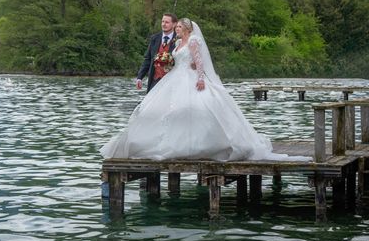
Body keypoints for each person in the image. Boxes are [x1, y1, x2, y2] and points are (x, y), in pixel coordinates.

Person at [101, 18, 310, 161]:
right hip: (175, 77)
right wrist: (167, 65)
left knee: (200, 108)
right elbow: (178, 61)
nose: (176, 30)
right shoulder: (177, 44)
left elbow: (199, 62)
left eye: (179, 28)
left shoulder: (193, 41)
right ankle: (171, 141)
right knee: (167, 110)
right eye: (176, 28)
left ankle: (206, 144)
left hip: (191, 79)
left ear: (187, 29)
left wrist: (200, 79)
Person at [135, 13, 177, 93]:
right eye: (162, 21)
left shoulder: (179, 39)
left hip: (172, 82)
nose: (164, 24)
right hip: (155, 80)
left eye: (167, 22)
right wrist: (139, 77)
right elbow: (147, 59)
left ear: (174, 24)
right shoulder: (154, 38)